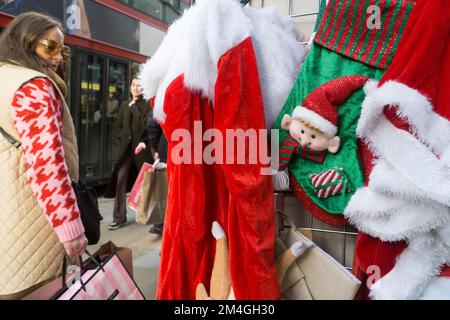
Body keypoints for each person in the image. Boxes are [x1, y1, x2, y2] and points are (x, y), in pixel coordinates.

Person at [0, 12, 87, 299]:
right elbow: (47, 165)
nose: (58, 57)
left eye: (62, 50)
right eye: (49, 47)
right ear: (24, 42)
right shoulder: (33, 86)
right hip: (34, 227)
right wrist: (72, 232)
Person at [104, 78, 153, 230]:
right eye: (133, 85)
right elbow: (118, 126)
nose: (135, 88)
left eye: (139, 85)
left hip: (141, 150)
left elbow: (146, 124)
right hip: (126, 151)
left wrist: (133, 107)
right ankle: (119, 218)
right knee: (120, 180)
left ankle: (149, 214)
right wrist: (119, 142)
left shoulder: (147, 105)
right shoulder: (124, 105)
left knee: (146, 183)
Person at [135, 98, 168, 235]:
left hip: (167, 148)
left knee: (163, 189)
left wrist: (154, 147)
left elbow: (152, 123)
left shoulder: (163, 93)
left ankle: (161, 224)